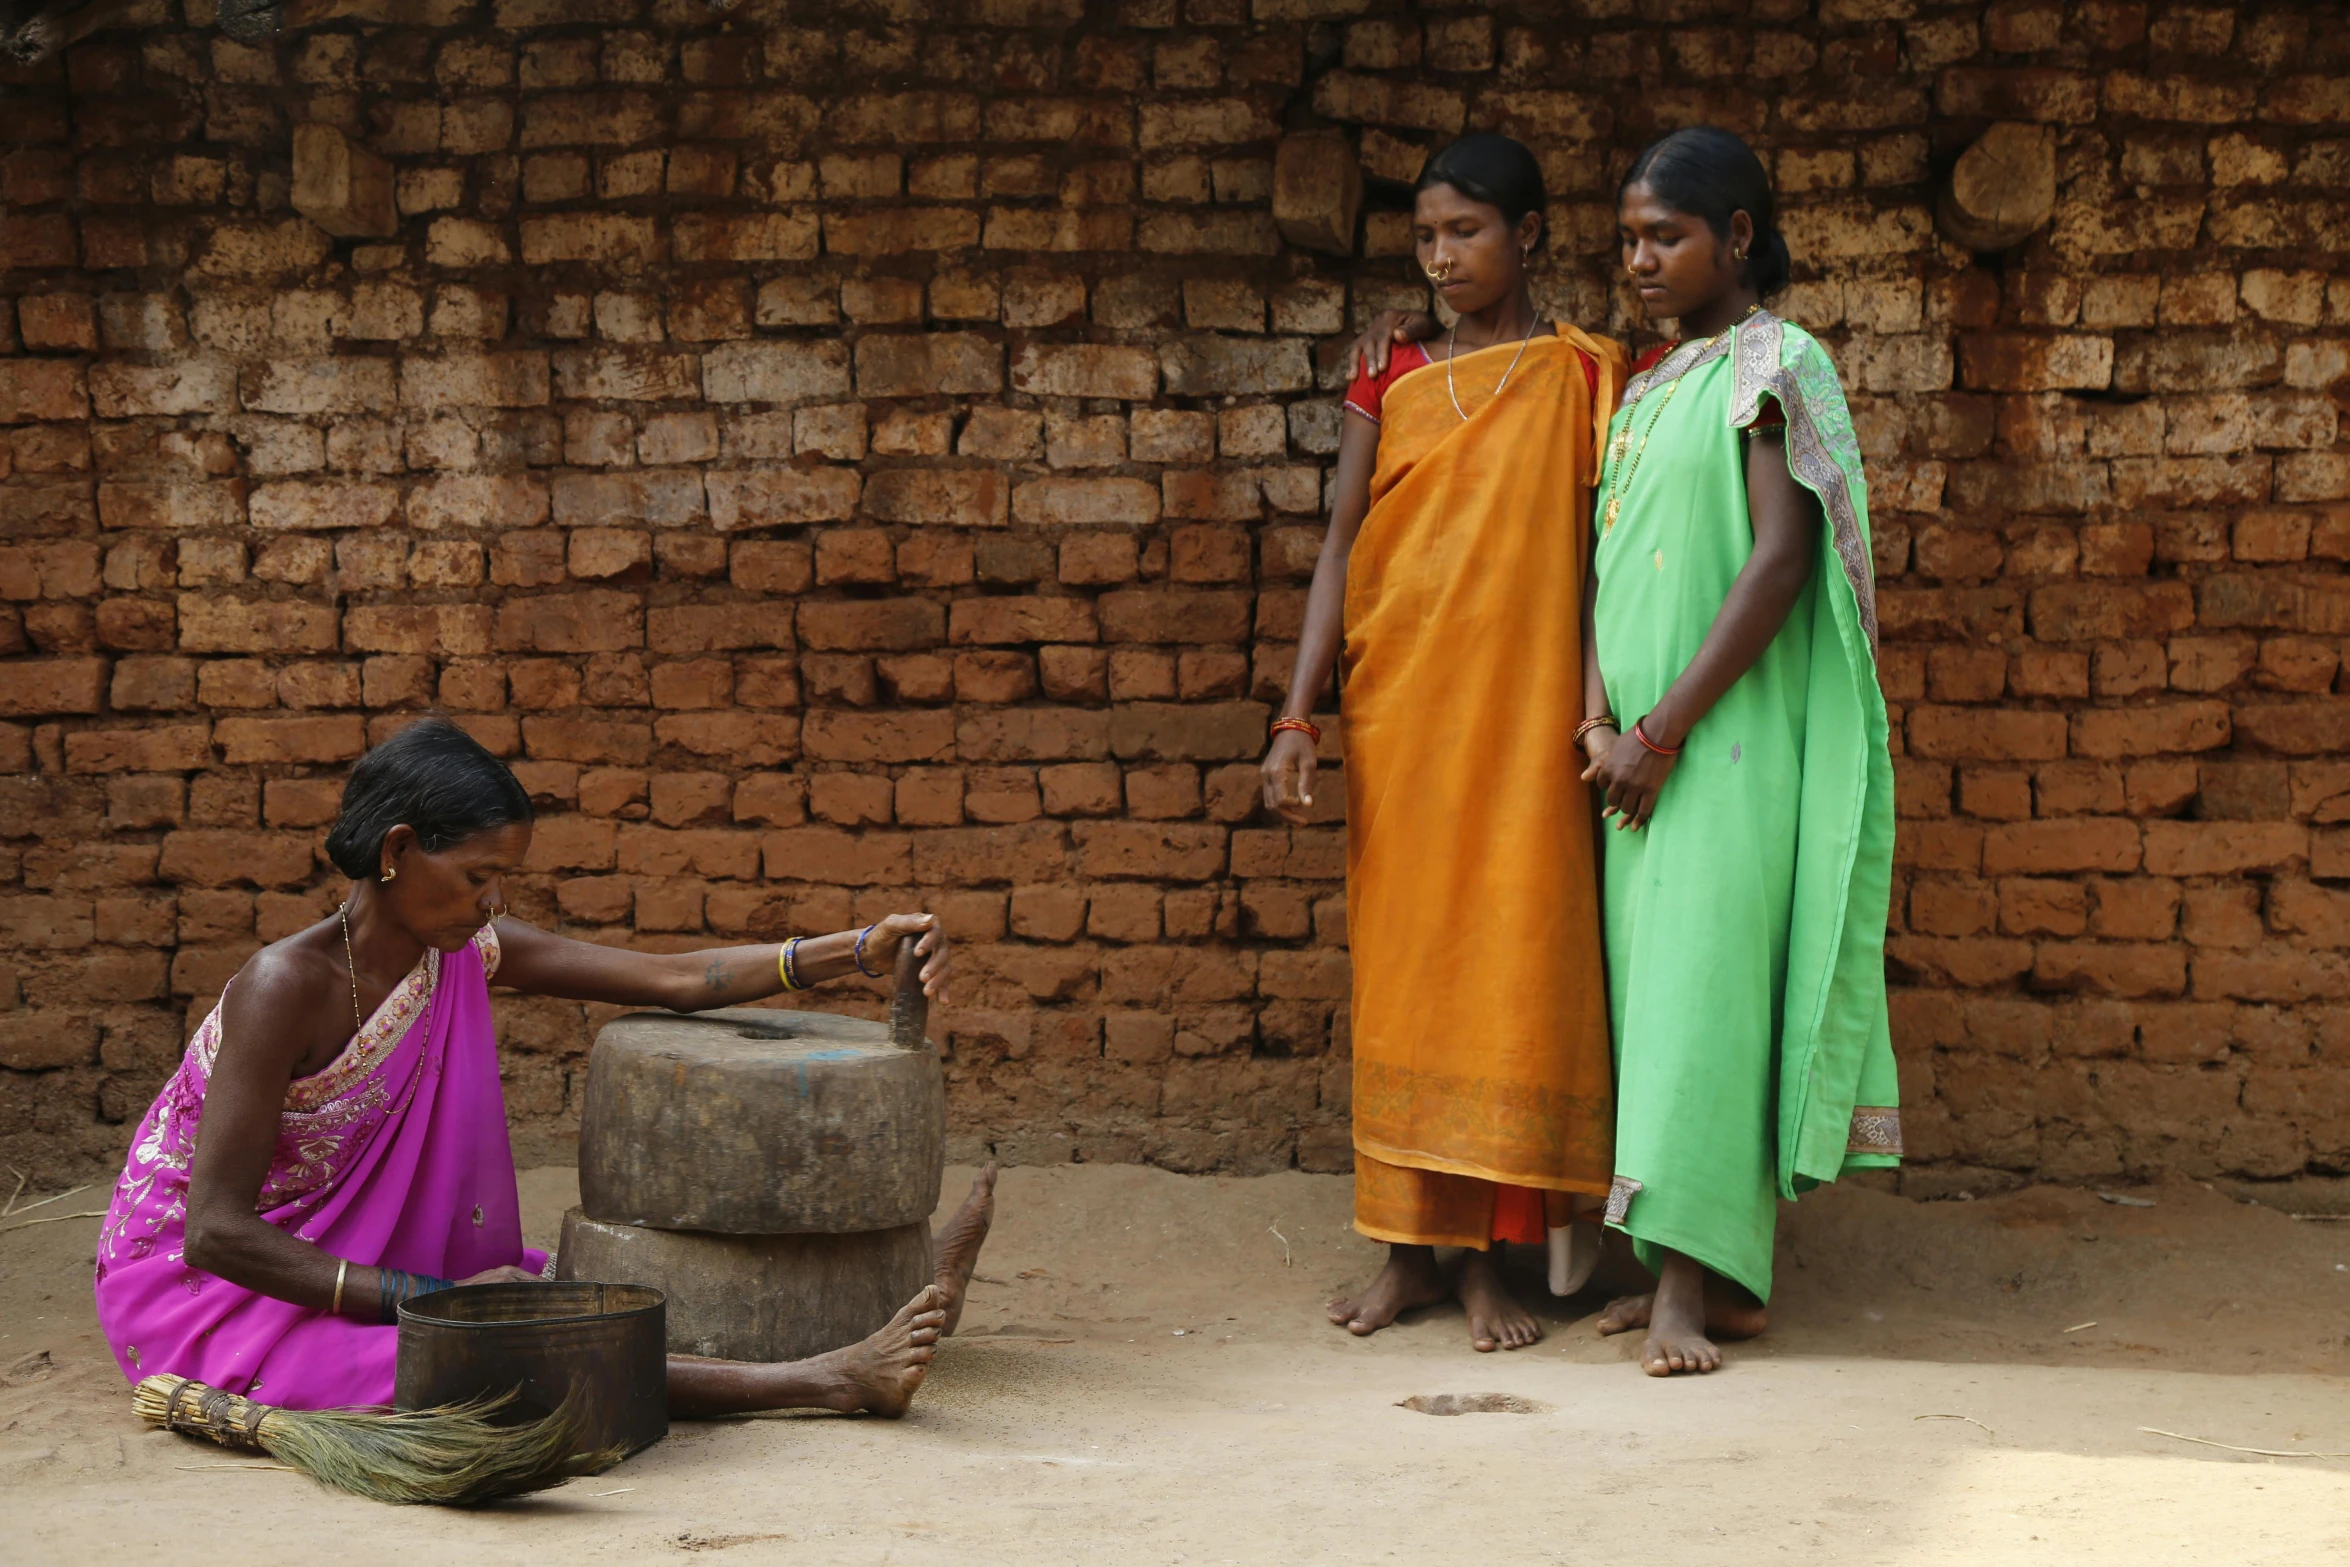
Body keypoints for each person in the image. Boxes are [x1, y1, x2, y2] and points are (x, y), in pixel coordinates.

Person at [94, 717, 998, 1418]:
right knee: (514, 1346)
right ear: (399, 849)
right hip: (208, 1292)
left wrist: (859, 948)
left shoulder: (453, 949)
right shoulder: (283, 985)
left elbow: (673, 977)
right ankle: (825, 1382)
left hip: (349, 1256)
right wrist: (435, 1300)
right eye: (479, 875)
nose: (493, 901)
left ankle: (912, 1293)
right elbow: (214, 1231)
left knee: (605, 1287)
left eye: (504, 882)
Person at [1263, 134, 1627, 1354]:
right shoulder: (1392, 374)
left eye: (1464, 231)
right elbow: (1338, 549)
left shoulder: (1586, 377)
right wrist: (1296, 714)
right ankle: (1407, 1254)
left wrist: (1597, 708)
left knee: (1510, 970)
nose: (1440, 257)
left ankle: (1490, 1261)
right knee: (1410, 980)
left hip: (1527, 721)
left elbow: (1602, 564)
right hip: (1406, 712)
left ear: (1528, 234)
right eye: (1423, 237)